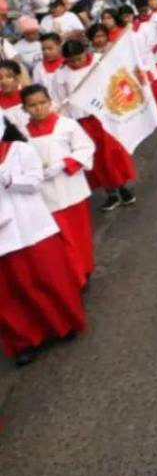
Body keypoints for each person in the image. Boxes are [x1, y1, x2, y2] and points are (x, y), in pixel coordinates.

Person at [0, 118, 87, 368]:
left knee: (48, 279)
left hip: (33, 227)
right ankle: (24, 341)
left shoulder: (21, 150)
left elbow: (35, 182)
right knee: (10, 293)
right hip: (4, 239)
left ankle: (63, 323)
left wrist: (9, 180)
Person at [21, 84, 95, 288]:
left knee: (80, 236)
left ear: (50, 102)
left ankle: (85, 269)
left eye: (42, 103)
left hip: (71, 188)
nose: (38, 108)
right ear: (24, 108)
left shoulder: (67, 125)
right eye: (32, 105)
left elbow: (86, 147)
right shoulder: (22, 136)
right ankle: (76, 277)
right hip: (45, 195)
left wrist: (64, 163)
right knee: (62, 240)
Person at [53, 39, 137, 212]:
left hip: (104, 116)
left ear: (86, 53)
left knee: (112, 154)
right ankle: (111, 193)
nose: (76, 63)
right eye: (71, 61)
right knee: (96, 158)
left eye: (79, 58)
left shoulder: (100, 61)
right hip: (81, 122)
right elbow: (60, 100)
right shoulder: (60, 75)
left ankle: (123, 187)